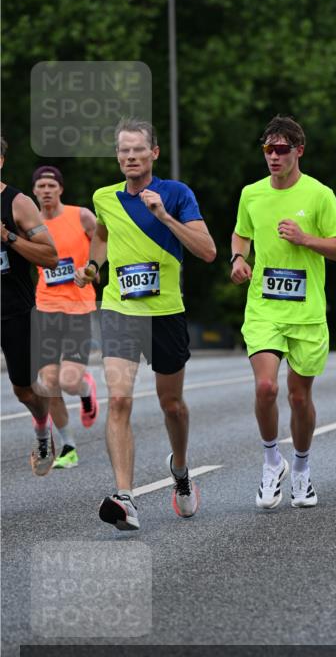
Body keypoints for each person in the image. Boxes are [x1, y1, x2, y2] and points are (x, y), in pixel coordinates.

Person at [75, 118, 216, 531]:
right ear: (117, 156)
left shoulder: (176, 194)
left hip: (165, 312)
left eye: (138, 149)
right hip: (119, 310)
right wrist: (93, 266)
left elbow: (208, 251)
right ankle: (125, 497)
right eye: (124, 150)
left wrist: (164, 216)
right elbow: (102, 235)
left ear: (154, 153)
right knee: (119, 400)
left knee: (171, 404)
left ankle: (181, 469)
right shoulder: (104, 197)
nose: (131, 156)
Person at [231, 114, 336, 510]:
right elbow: (241, 233)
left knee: (299, 397)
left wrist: (305, 239)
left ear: (299, 151)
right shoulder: (251, 193)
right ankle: (272, 462)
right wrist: (238, 258)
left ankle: (300, 468)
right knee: (266, 388)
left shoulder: (319, 195)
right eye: (268, 149)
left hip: (307, 314)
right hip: (264, 309)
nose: (274, 156)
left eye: (282, 149)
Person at [32, 165, 99, 469]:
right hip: (46, 307)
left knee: (68, 382)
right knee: (48, 382)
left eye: (51, 185)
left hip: (78, 308)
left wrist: (93, 269)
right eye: (41, 186)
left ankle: (85, 389)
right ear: (34, 191)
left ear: (60, 189)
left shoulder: (81, 216)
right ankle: (68, 445)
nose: (46, 190)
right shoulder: (30, 224)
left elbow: (104, 243)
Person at [0, 137, 59, 475]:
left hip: (14, 311)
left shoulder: (18, 203)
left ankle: (41, 427)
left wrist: (8, 237)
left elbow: (50, 257)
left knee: (23, 389)